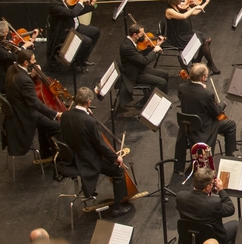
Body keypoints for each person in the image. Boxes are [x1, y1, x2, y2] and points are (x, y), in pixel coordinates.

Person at [60, 87, 132, 218]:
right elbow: (101, 145)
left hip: (71, 158)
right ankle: (118, 208)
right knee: (118, 171)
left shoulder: (65, 115)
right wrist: (116, 158)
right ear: (88, 103)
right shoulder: (89, 122)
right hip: (87, 161)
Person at [4, 49, 60, 162]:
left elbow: (21, 84)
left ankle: (46, 152)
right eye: (33, 59)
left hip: (17, 112)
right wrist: (56, 114)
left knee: (45, 122)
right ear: (26, 63)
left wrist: (31, 75)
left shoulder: (12, 69)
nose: (35, 61)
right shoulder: (25, 80)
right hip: (26, 115)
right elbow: (35, 103)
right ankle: (57, 155)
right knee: (57, 126)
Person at [178, 63, 237, 159]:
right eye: (206, 75)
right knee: (231, 124)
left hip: (188, 125)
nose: (207, 77)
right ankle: (230, 156)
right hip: (203, 128)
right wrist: (222, 104)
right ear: (202, 78)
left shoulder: (181, 88)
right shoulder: (206, 94)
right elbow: (216, 112)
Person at [47, 0, 100, 69]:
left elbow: (76, 12)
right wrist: (80, 2)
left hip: (73, 25)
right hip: (64, 31)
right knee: (87, 41)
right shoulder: (54, 5)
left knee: (95, 32)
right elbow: (73, 13)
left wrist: (92, 3)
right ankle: (75, 63)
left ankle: (82, 60)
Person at [177, 168, 238, 244]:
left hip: (188, 236)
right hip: (212, 239)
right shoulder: (214, 203)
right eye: (212, 183)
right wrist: (221, 190)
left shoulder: (180, 197)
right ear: (208, 187)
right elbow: (230, 209)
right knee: (236, 224)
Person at [119, 23, 168, 107]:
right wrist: (154, 50)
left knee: (164, 74)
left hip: (139, 68)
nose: (144, 36)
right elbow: (144, 61)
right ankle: (143, 103)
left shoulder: (132, 42)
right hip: (133, 74)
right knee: (161, 82)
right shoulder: (127, 47)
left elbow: (141, 55)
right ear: (135, 35)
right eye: (141, 34)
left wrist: (157, 45)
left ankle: (162, 99)